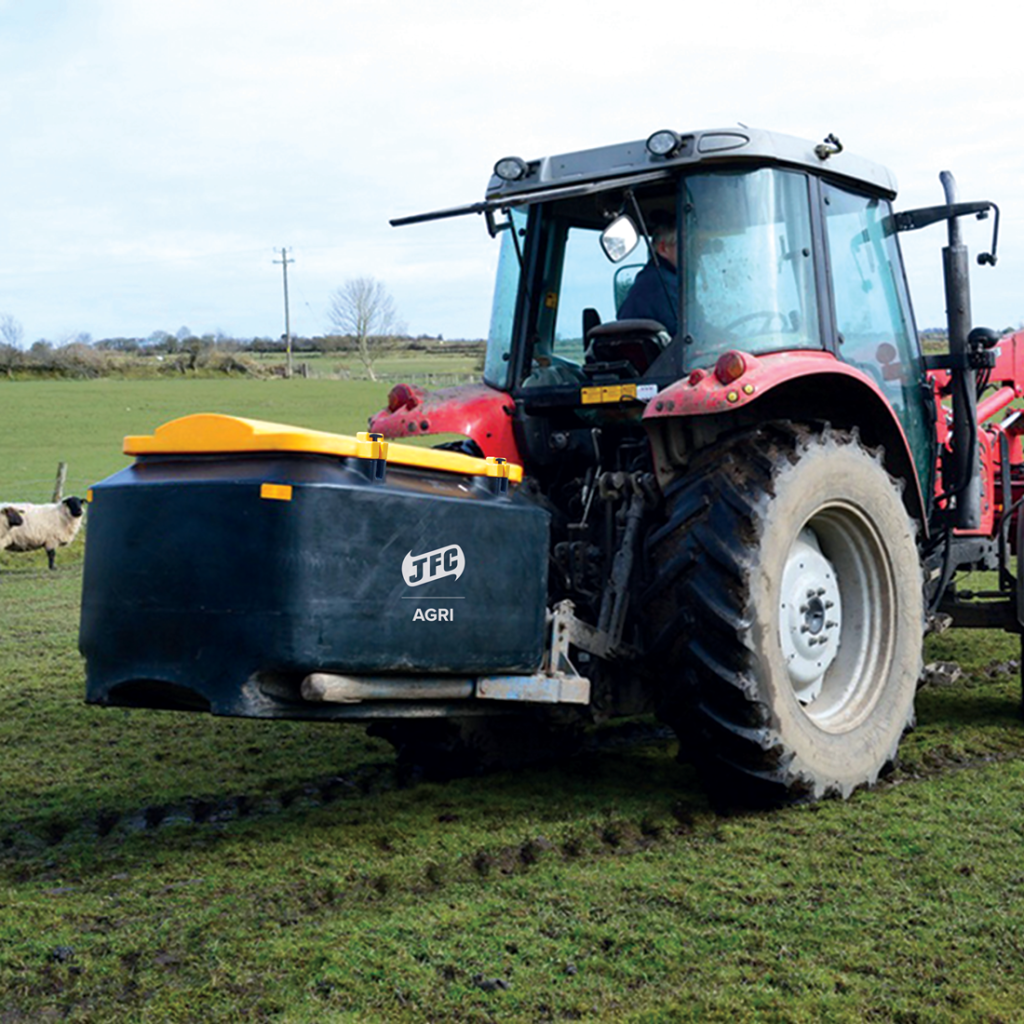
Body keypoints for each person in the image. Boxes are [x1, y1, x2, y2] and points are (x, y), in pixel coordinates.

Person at [617, 211, 678, 336]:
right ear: (663, 248)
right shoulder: (665, 284)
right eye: (688, 244)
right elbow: (688, 334)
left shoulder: (646, 280)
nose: (695, 253)